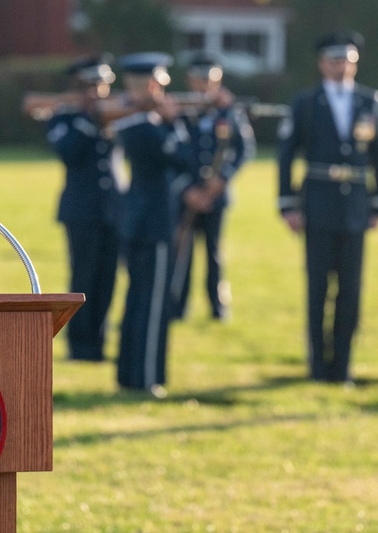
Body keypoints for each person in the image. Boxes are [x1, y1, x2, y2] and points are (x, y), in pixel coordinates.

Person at [277, 31, 378, 384]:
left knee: (351, 288)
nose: (341, 67)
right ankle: (316, 365)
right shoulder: (306, 102)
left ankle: (343, 365)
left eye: (347, 60)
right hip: (317, 202)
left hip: (354, 204)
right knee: (317, 287)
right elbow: (286, 155)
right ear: (322, 64)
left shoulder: (370, 101)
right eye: (334, 60)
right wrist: (287, 203)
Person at [110, 52, 199, 397]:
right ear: (150, 86)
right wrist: (176, 123)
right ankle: (146, 377)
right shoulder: (144, 126)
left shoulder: (134, 122)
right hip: (153, 223)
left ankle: (130, 375)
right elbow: (184, 158)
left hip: (138, 221)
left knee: (138, 301)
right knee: (151, 305)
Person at [46, 54, 124, 361]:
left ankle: (100, 342)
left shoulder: (115, 116)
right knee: (83, 278)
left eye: (102, 84)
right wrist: (88, 121)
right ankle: (80, 346)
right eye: (90, 85)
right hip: (82, 209)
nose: (97, 91)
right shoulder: (64, 118)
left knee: (108, 278)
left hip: (114, 207)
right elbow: (69, 153)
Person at [170, 53, 256, 321]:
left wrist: (223, 178)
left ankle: (217, 305)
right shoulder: (181, 111)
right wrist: (187, 189)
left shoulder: (229, 112)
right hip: (187, 193)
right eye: (199, 79)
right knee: (182, 251)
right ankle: (177, 306)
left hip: (215, 195)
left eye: (210, 79)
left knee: (214, 252)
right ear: (190, 80)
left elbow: (244, 149)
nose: (204, 85)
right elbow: (171, 153)